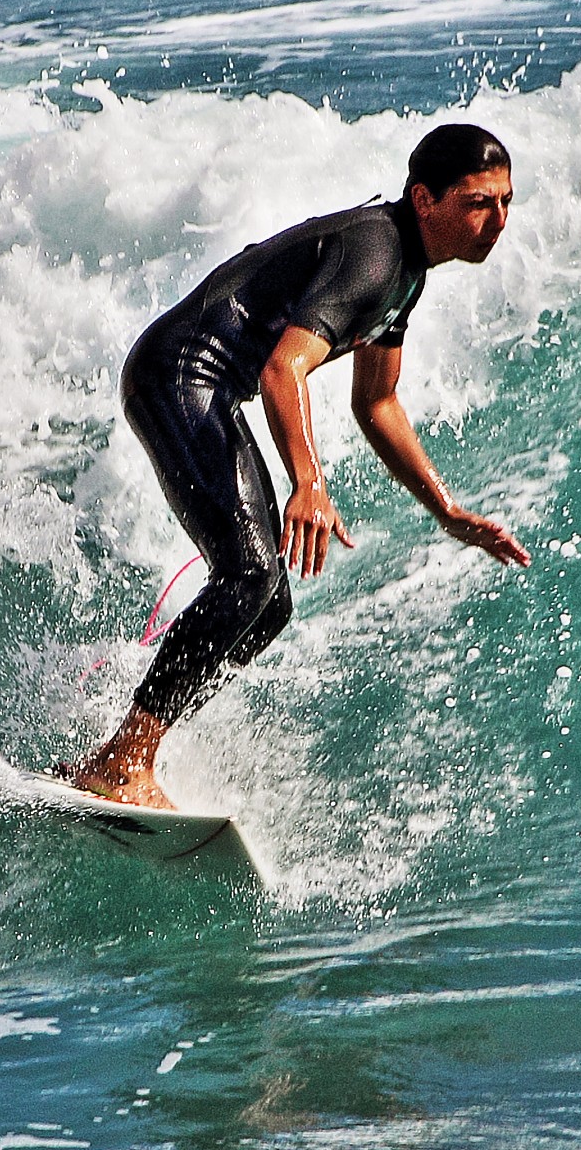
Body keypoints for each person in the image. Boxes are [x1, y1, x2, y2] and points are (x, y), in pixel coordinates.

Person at [72, 121, 531, 808]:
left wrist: (449, 513)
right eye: (477, 203)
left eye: (505, 203)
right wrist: (307, 484)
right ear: (426, 199)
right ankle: (123, 762)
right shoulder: (376, 255)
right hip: (180, 374)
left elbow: (377, 402)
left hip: (204, 384)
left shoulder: (405, 276)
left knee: (268, 604)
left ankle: (123, 750)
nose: (496, 221)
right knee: (250, 573)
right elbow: (284, 366)